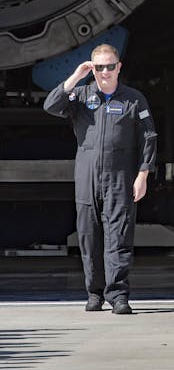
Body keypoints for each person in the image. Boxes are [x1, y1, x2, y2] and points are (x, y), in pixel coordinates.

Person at [43, 44, 157, 314]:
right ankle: (94, 293)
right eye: (99, 67)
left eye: (110, 66)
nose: (105, 72)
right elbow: (51, 105)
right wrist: (76, 76)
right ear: (92, 68)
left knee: (119, 235)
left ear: (119, 67)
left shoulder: (134, 99)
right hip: (87, 175)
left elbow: (149, 138)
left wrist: (143, 175)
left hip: (121, 176)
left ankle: (118, 295)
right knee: (88, 236)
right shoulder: (81, 96)